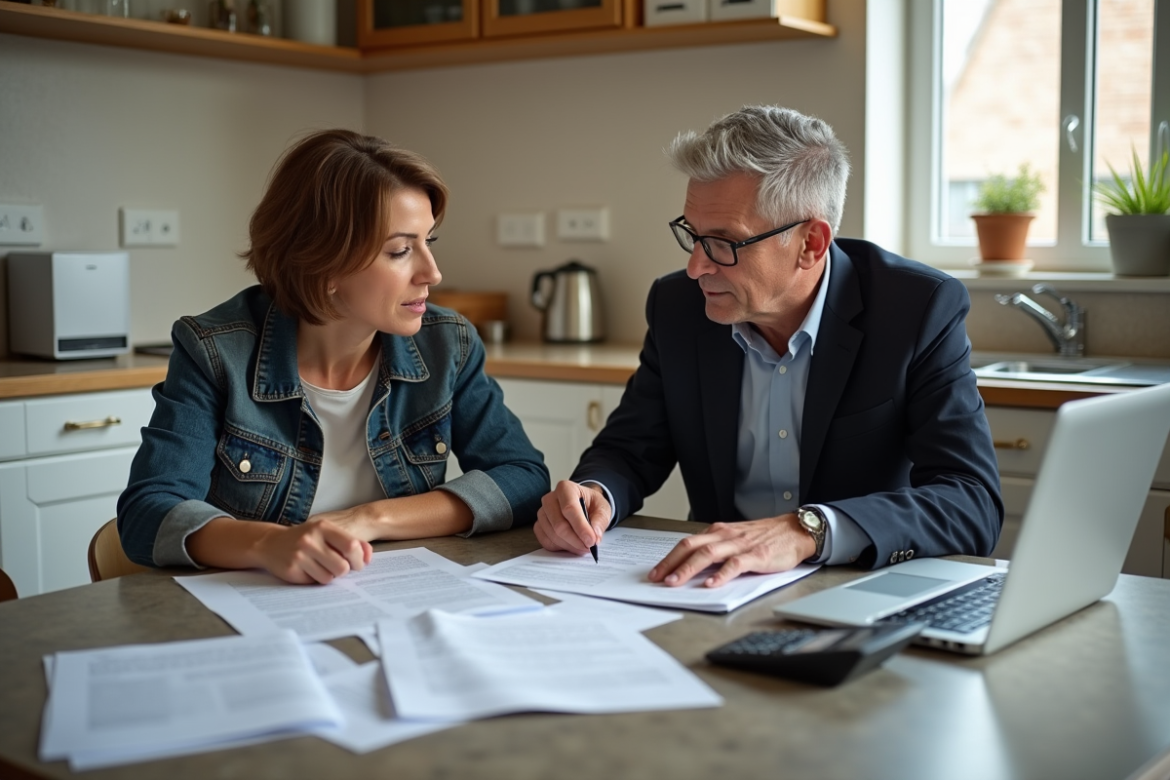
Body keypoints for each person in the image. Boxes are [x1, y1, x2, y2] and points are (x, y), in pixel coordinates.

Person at [534, 105, 1003, 588]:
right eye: (693, 235)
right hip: (715, 589)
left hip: (857, 585)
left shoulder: (916, 309)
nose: (697, 267)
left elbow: (971, 502)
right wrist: (595, 494)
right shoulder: (678, 306)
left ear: (810, 244)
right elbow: (631, 449)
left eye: (723, 242)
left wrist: (809, 530)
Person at [118, 129, 549, 585]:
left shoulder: (448, 345)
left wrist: (369, 519)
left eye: (429, 242)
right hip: (256, 608)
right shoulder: (215, 350)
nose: (432, 272)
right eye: (401, 250)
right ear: (323, 264)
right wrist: (268, 544)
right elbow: (150, 512)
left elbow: (521, 476)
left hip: (396, 597)